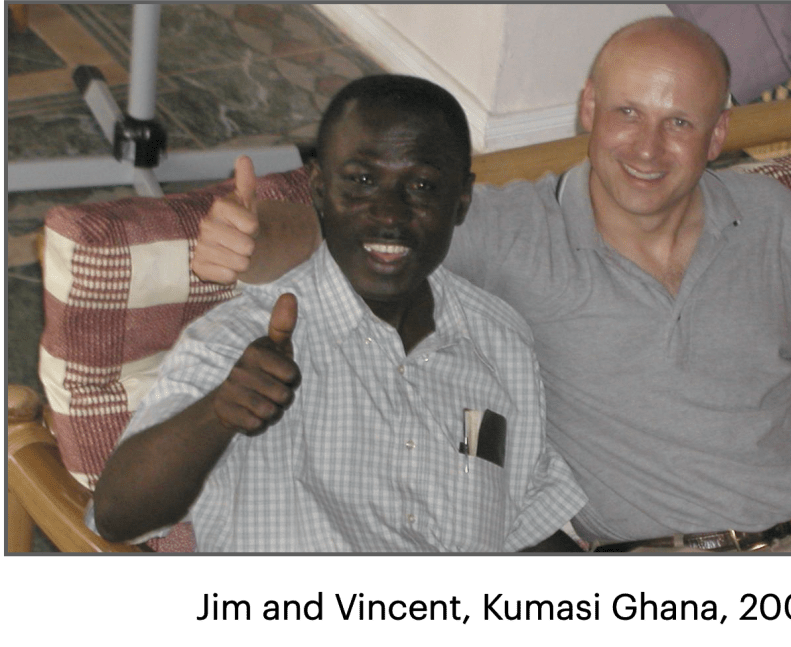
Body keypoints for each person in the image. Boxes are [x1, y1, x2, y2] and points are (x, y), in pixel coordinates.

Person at [190, 17, 791, 551]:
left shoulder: (771, 220)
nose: (647, 149)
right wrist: (261, 233)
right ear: (588, 108)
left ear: (717, 134)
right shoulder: (513, 233)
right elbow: (373, 233)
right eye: (626, 113)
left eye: (678, 122)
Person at [90, 75, 587, 552]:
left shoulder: (500, 342)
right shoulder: (244, 338)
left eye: (422, 186)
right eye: (362, 181)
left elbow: (523, 529)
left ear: (461, 200)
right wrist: (218, 413)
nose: (389, 214)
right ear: (320, 190)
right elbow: (117, 515)